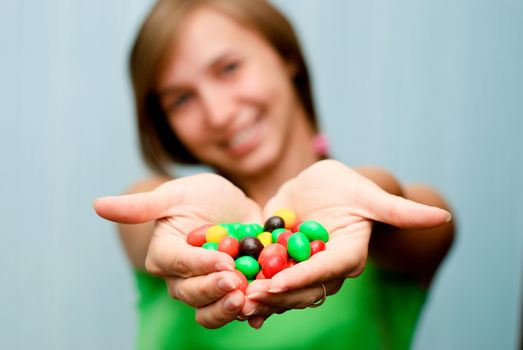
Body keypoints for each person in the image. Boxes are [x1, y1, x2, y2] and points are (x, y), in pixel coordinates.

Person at [93, 0, 455, 349]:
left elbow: (423, 220)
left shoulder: (378, 226)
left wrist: (367, 194)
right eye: (181, 99)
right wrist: (169, 220)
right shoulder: (173, 215)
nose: (218, 114)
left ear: (286, 57)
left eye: (229, 68)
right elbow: (142, 223)